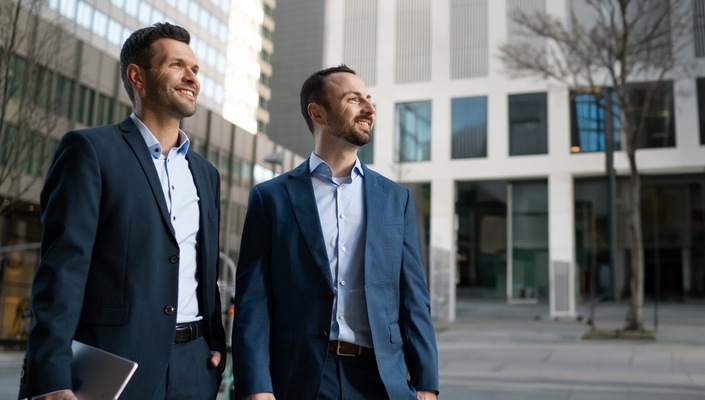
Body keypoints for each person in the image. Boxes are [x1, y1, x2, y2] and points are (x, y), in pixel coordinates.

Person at [18, 22, 226, 400]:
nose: (191, 77)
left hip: (194, 371)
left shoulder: (206, 174)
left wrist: (214, 345)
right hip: (112, 369)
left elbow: (203, 270)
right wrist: (51, 377)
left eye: (195, 70)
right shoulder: (90, 151)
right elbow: (63, 271)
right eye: (177, 65)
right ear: (137, 76)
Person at [232, 65, 439, 400]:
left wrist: (426, 382)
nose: (369, 109)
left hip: (382, 380)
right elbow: (253, 301)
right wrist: (256, 386)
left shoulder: (396, 198)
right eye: (353, 99)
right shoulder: (271, 198)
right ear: (318, 113)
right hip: (300, 379)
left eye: (369, 100)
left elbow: (413, 296)